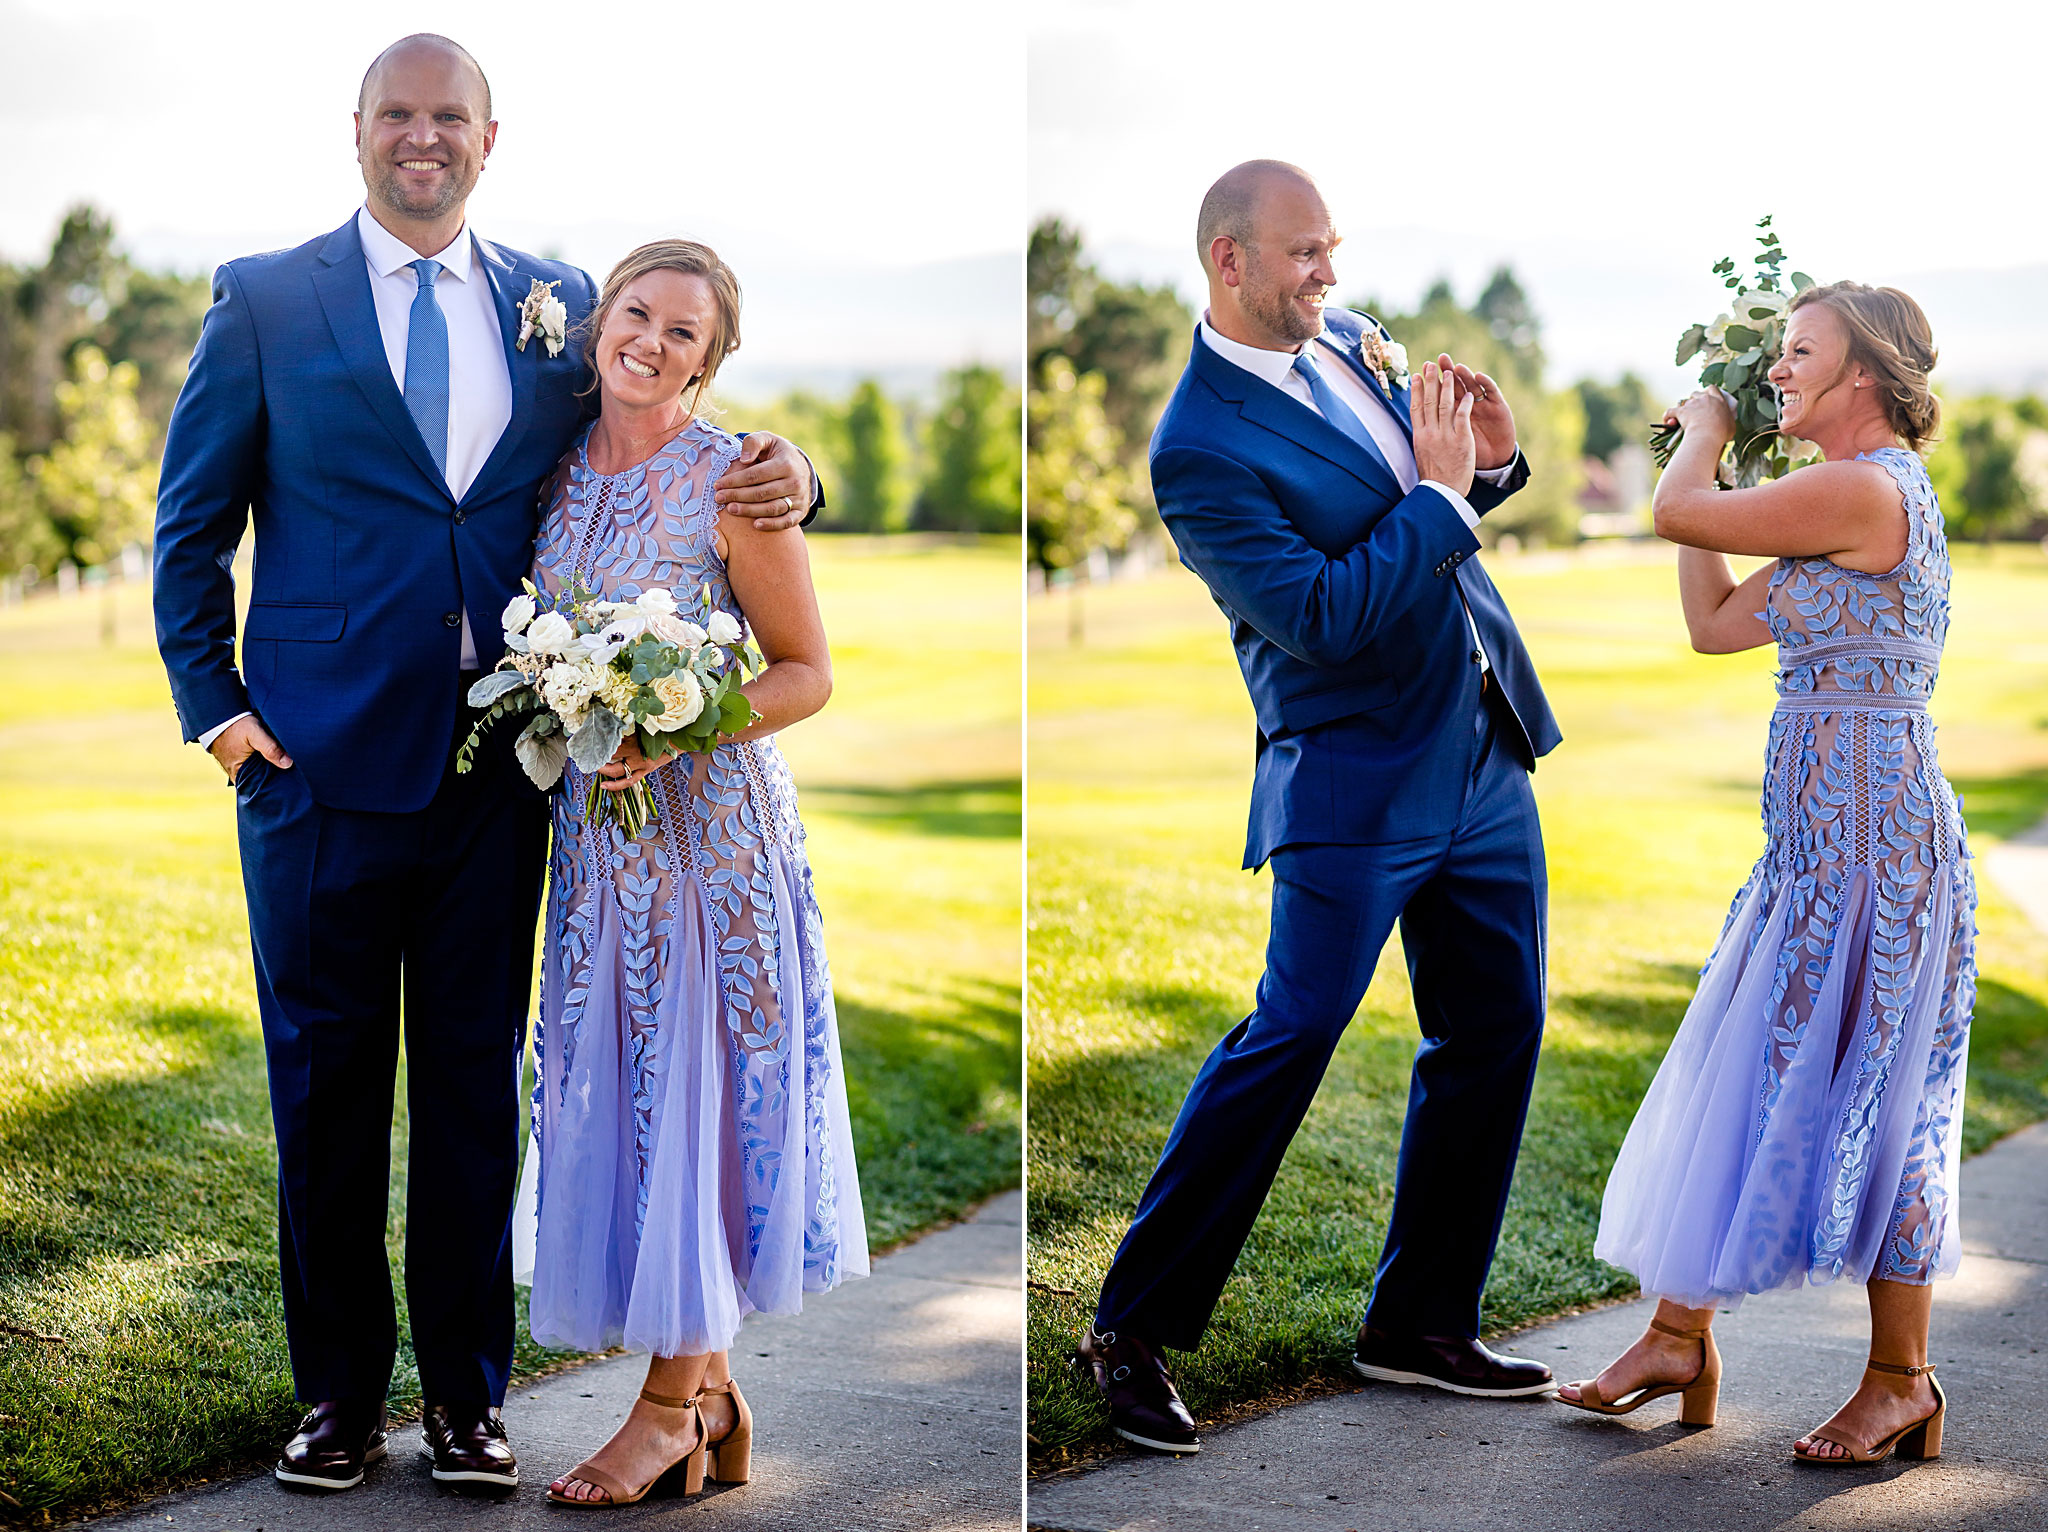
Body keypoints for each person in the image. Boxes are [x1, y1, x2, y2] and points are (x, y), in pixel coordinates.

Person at [150, 34, 819, 1495]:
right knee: (326, 1097)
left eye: (448, 115)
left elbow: (669, 423)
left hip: (504, 786)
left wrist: (799, 476)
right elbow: (188, 525)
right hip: (313, 773)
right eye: (398, 112)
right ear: (358, 130)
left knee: (472, 1094)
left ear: (489, 137)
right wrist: (221, 709)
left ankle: (465, 1402)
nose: (422, 136)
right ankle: (336, 1403)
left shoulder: (561, 306)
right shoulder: (264, 300)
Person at [1075, 160, 1563, 1456]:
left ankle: (1419, 1324)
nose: (1331, 278)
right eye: (1303, 256)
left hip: (1480, 754)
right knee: (1291, 1035)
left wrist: (1493, 471)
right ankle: (1129, 1325)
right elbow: (1325, 618)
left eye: (1332, 250)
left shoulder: (1351, 342)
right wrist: (1448, 497)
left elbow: (1444, 515)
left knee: (1498, 1027)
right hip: (1353, 778)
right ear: (1228, 261)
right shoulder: (1197, 447)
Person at [1558, 283, 1972, 1469]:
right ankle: (1677, 1338)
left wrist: (1701, 435)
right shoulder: (1830, 504)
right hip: (1808, 855)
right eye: (1773, 350)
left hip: (1878, 859)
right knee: (1745, 1065)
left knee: (1882, 1100)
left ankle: (1900, 1379)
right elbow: (1714, 622)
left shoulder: (1863, 484)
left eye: (1797, 353)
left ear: (1862, 378)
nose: (1777, 369)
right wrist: (1709, 486)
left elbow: (1682, 508)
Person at [515, 239, 867, 1507]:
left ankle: (669, 1406)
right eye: (636, 313)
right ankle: (705, 1401)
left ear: (712, 363)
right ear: (599, 318)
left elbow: (805, 670)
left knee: (701, 1106)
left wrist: (672, 725)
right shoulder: (549, 477)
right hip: (598, 862)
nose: (649, 343)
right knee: (635, 1101)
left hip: (712, 849)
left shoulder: (735, 481)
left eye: (683, 333)